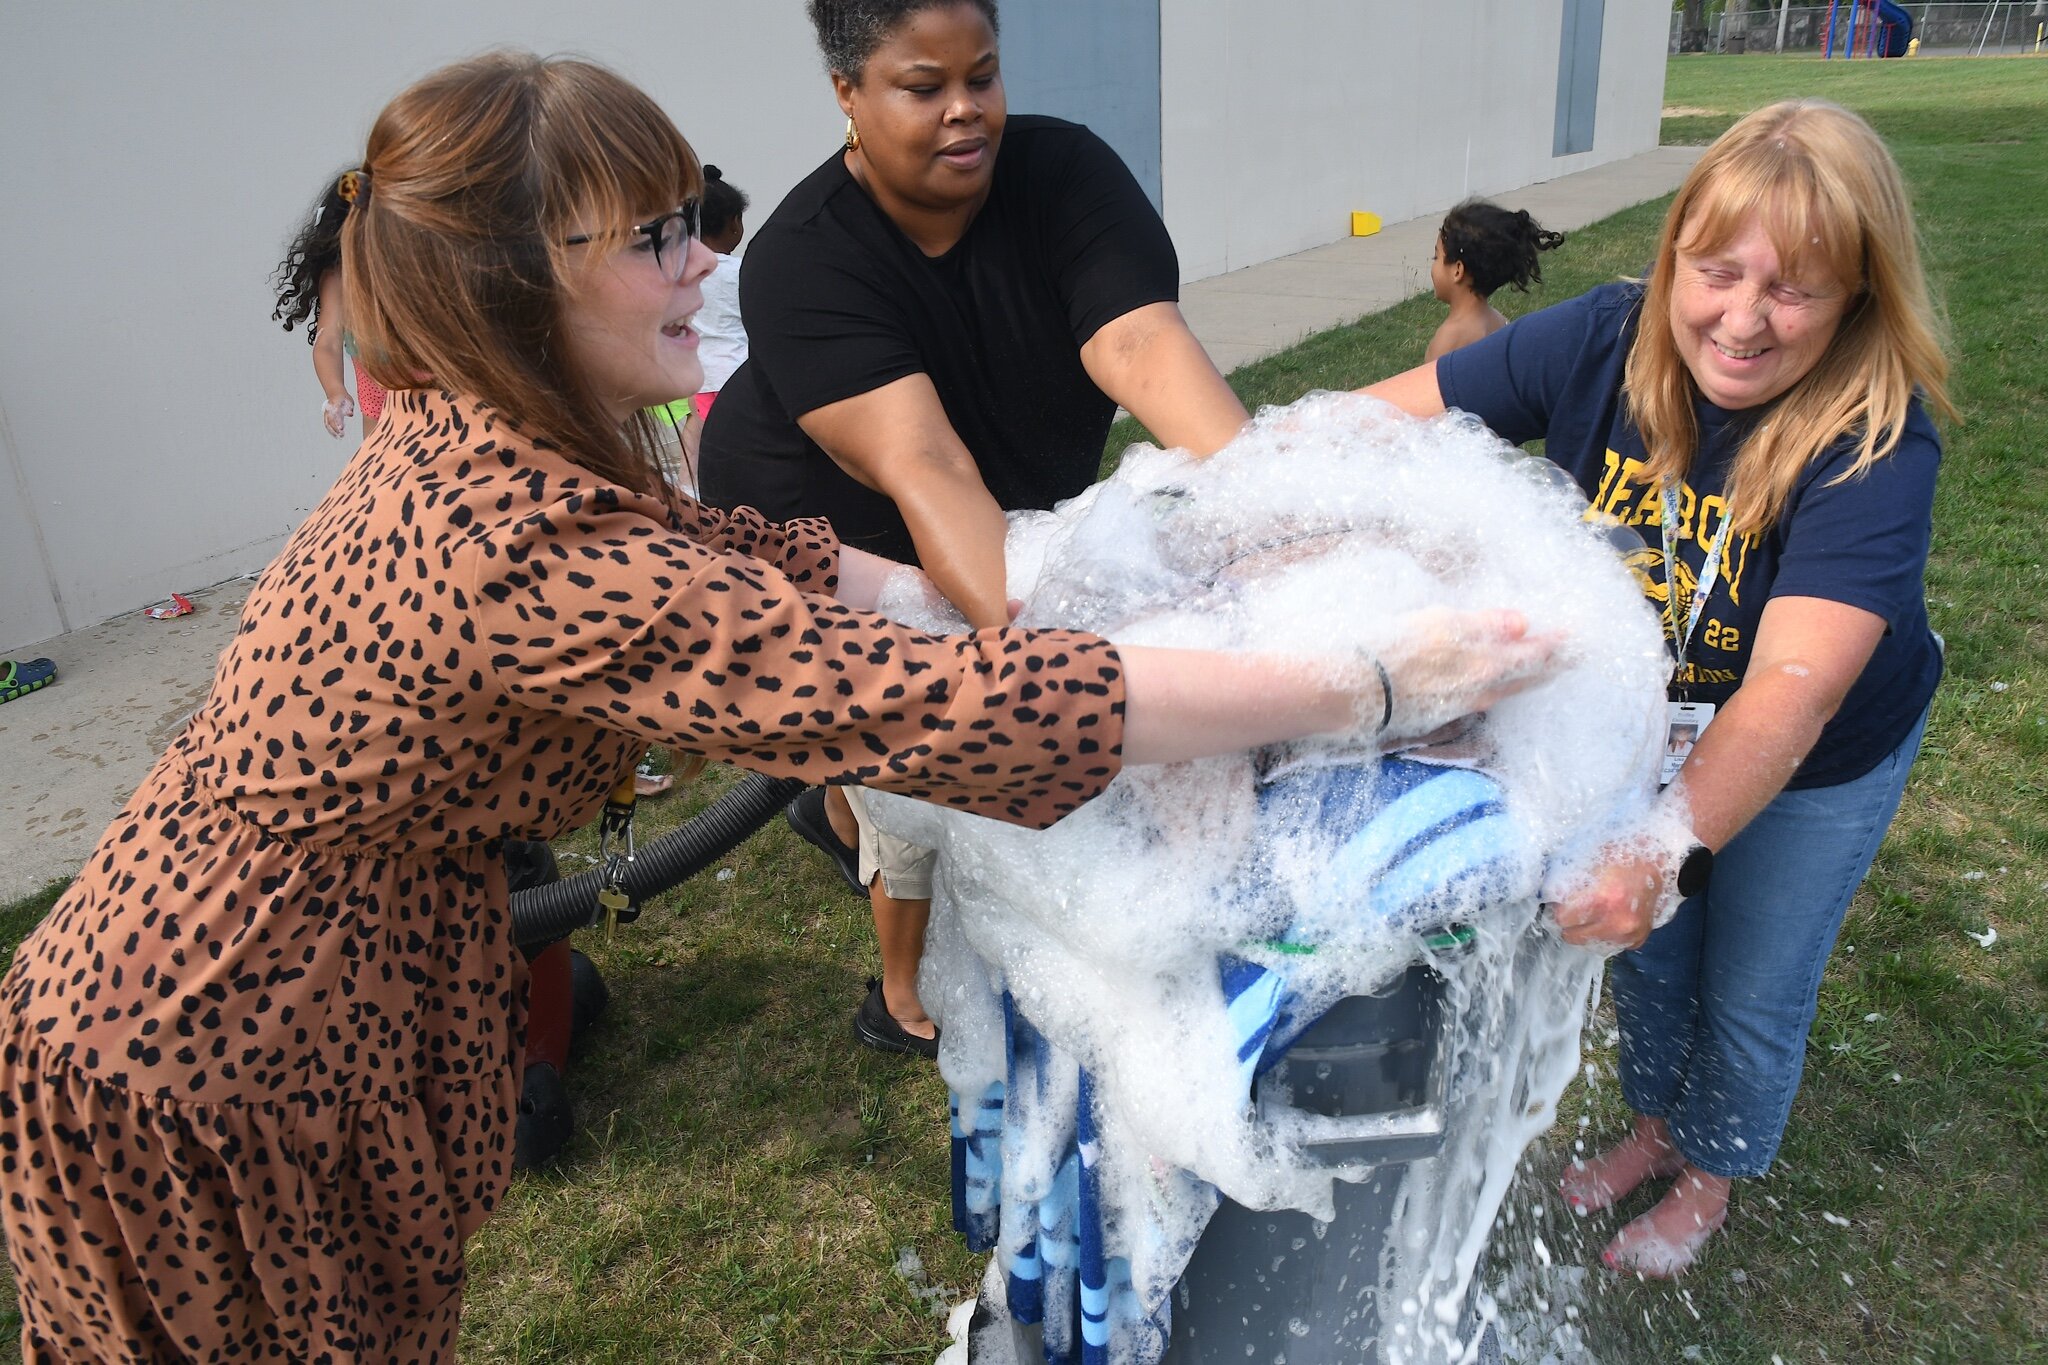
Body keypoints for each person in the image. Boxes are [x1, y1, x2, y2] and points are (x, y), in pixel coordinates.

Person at [0, 52, 1554, 1361]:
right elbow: (931, 712)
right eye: (656, 236)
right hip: (212, 1041)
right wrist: (1366, 684)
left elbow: (772, 567)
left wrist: (1064, 566)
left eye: (695, 218)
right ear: (517, 281)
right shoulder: (510, 537)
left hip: (292, 979)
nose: (704, 261)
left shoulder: (512, 447)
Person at [1361, 99, 1952, 1276]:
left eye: (1793, 289)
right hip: (1646, 724)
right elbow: (1376, 428)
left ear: (1855, 301)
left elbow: (1790, 683)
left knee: (1749, 981)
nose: (1740, 319)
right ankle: (1650, 1132)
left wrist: (1659, 845)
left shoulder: (1872, 439)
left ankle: (1712, 1172)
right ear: (1672, 248)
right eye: (1716, 271)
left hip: (1815, 760)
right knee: (1651, 961)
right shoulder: (1597, 339)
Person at [700, 0, 1251, 1057]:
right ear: (847, 96)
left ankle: (845, 808)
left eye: (983, 77)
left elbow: (1139, 348)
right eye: (922, 87)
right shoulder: (801, 260)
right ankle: (886, 931)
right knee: (936, 733)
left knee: (983, 718)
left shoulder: (1066, 177)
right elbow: (926, 467)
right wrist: (1048, 665)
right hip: (833, 520)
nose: (966, 113)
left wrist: (1270, 510)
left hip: (999, 483)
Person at [273, 170, 386, 439]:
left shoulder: (420, 273)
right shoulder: (339, 277)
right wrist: (335, 392)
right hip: (382, 425)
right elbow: (328, 342)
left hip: (443, 410)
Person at [1423, 199, 1565, 362]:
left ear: (1457, 270)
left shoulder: (1448, 338)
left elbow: (1429, 387)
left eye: (1437, 257)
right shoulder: (1500, 322)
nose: (1433, 264)